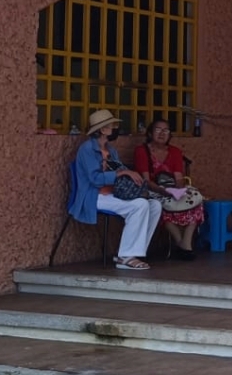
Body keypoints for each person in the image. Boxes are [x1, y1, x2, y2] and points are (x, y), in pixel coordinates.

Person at [70, 109, 162, 270]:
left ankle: (132, 252)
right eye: (111, 125)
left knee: (155, 205)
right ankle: (125, 257)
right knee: (140, 205)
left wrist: (127, 175)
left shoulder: (111, 150)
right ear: (102, 129)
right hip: (94, 196)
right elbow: (95, 179)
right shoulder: (86, 149)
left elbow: (118, 171)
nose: (114, 129)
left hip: (113, 193)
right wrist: (121, 172)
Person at [134, 118, 203, 261]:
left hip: (172, 189)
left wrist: (178, 190)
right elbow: (146, 180)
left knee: (195, 199)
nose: (162, 133)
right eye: (158, 130)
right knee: (160, 205)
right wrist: (162, 190)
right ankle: (182, 244)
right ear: (150, 133)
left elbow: (178, 177)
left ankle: (186, 243)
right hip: (153, 189)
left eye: (166, 130)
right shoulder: (142, 151)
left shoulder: (175, 151)